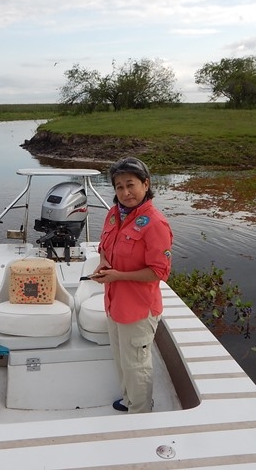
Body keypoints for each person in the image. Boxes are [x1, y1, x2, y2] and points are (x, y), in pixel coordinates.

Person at [92, 157, 173, 414]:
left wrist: (118, 276)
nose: (125, 192)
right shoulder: (114, 214)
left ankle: (140, 413)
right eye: (119, 187)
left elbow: (158, 272)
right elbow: (104, 247)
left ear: (145, 184)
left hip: (138, 310)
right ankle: (129, 401)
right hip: (114, 304)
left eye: (131, 185)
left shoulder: (156, 223)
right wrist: (103, 264)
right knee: (122, 360)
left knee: (136, 365)